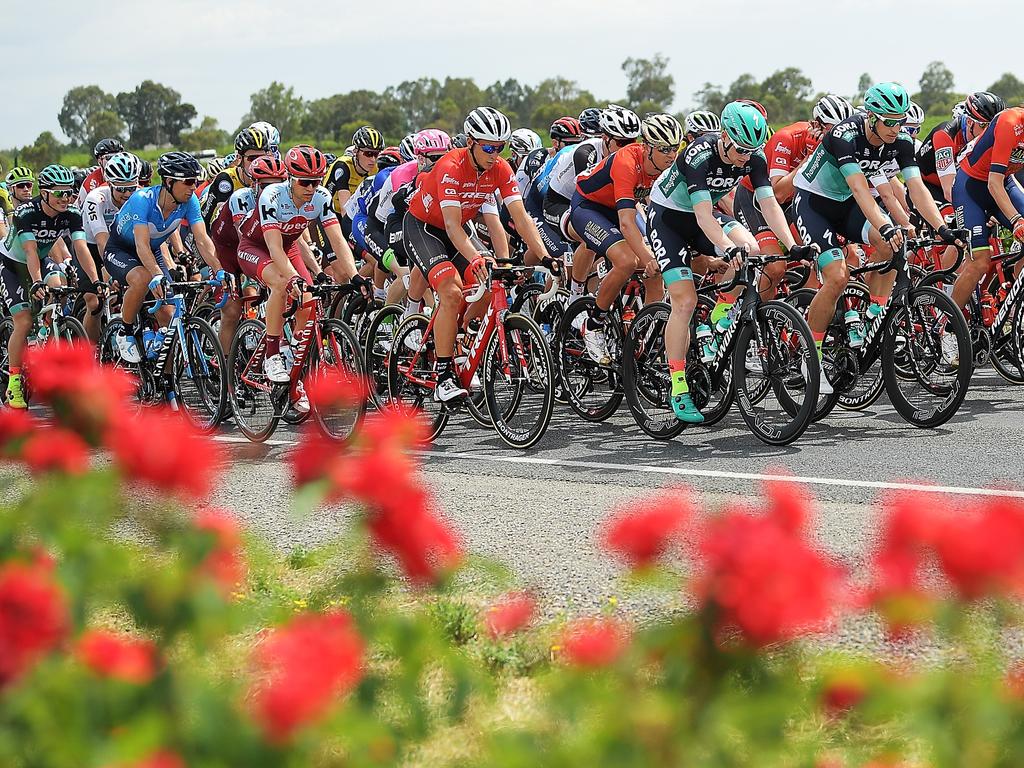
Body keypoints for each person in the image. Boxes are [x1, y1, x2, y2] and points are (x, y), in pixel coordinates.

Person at [648, 102, 816, 422]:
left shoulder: (754, 157)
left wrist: (793, 244)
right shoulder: (699, 155)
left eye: (750, 151)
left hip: (706, 216)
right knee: (685, 301)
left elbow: (768, 204)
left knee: (752, 249)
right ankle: (678, 385)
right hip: (669, 219)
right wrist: (725, 248)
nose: (744, 158)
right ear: (724, 136)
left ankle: (721, 314)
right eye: (739, 149)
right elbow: (701, 215)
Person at [791, 82, 962, 391]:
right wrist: (885, 225)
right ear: (871, 117)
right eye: (889, 121)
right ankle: (810, 355)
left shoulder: (901, 142)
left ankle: (872, 313)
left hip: (846, 206)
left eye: (901, 120)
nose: (897, 128)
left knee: (892, 245)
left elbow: (916, 189)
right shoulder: (845, 135)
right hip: (814, 203)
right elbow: (859, 188)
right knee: (837, 276)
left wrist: (941, 228)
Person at [403, 107, 550, 402]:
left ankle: (456, 338)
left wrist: (546, 258)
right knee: (451, 290)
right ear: (470, 141)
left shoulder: (501, 170)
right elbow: (452, 226)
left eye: (500, 147)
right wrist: (476, 258)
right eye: (488, 147)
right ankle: (443, 375)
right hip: (425, 228)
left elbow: (521, 219)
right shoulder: (450, 167)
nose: (495, 153)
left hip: (456, 231)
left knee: (489, 285)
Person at [236, 145, 368, 391]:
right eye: (304, 183)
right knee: (280, 283)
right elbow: (274, 248)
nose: (311, 189)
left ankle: (296, 358)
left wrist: (355, 275)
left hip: (288, 247)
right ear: (290, 179)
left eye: (316, 182)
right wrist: (293, 279)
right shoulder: (272, 196)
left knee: (308, 297)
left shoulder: (321, 197)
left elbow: (338, 239)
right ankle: (272, 355)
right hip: (256, 247)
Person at [568, 113, 685, 363]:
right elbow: (626, 222)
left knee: (656, 271)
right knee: (628, 260)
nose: (671, 155)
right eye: (664, 149)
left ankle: (642, 334)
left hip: (623, 210)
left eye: (675, 148)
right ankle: (594, 323)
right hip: (590, 208)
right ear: (647, 147)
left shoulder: (670, 168)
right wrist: (647, 255)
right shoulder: (626, 161)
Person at [105, 152, 227, 364]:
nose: (193, 186)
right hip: (121, 251)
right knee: (143, 278)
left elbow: (202, 239)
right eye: (188, 181)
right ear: (169, 182)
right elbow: (141, 245)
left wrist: (219, 269)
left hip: (149, 253)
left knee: (169, 318)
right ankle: (125, 332)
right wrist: (156, 275)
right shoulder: (142, 200)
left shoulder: (190, 202)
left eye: (196, 181)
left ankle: (168, 383)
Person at [0, 165, 102, 407]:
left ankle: (48, 327)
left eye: (69, 193)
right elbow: (30, 251)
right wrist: (36, 282)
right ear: (44, 193)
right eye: (59, 193)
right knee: (23, 321)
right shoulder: (26, 213)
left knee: (59, 285)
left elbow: (81, 248)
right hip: (11, 264)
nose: (66, 198)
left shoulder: (71, 212)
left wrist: (96, 280)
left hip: (40, 260)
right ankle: (14, 382)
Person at [949, 105, 1024, 328]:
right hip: (972, 187)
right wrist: (1016, 220)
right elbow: (993, 182)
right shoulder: (1010, 122)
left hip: (1005, 183)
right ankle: (948, 329)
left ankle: (1017, 306)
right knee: (979, 262)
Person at [210, 155, 288, 354]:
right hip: (226, 251)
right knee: (232, 311)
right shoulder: (241, 197)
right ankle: (225, 369)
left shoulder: (281, 199)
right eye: (265, 186)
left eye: (276, 185)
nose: (270, 191)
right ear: (254, 185)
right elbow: (244, 239)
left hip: (254, 249)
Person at [80, 152, 143, 339]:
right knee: (95, 303)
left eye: (131, 188)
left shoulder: (140, 196)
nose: (127, 194)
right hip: (91, 247)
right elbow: (102, 239)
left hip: (122, 245)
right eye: (121, 189)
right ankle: (91, 354)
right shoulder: (95, 199)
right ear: (109, 184)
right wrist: (112, 269)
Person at [76, 138, 126, 208]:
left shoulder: (128, 174)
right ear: (99, 160)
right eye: (109, 157)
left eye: (118, 156)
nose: (114, 160)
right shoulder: (92, 181)